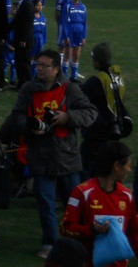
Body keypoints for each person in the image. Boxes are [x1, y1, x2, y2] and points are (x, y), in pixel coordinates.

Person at [9, 49, 97, 259]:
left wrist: (68, 117)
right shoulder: (28, 90)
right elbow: (16, 116)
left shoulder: (70, 89)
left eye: (44, 65)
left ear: (56, 68)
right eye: (37, 64)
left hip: (66, 155)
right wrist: (31, 125)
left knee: (73, 204)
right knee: (45, 203)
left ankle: (77, 243)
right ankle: (50, 243)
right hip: (40, 155)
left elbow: (90, 113)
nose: (39, 68)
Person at [61, 141, 138, 265]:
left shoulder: (127, 196)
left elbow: (135, 234)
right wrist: (92, 229)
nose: (129, 170)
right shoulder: (82, 193)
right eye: (128, 165)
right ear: (117, 166)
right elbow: (65, 229)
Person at [80, 42, 128, 179]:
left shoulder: (98, 80)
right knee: (109, 164)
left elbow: (80, 94)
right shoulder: (117, 74)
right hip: (116, 126)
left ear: (97, 60)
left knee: (89, 163)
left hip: (98, 130)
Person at [10, 0, 35, 88]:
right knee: (19, 62)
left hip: (24, 40)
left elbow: (28, 23)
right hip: (21, 39)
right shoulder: (24, 2)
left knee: (24, 63)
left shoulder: (27, 3)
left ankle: (26, 84)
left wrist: (24, 39)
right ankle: (21, 83)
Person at [63, 0, 88, 82]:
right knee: (68, 53)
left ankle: (73, 76)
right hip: (70, 30)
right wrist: (66, 36)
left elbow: (85, 22)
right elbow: (65, 22)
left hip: (80, 31)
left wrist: (84, 36)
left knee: (76, 55)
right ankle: (64, 75)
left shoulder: (83, 7)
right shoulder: (68, 6)